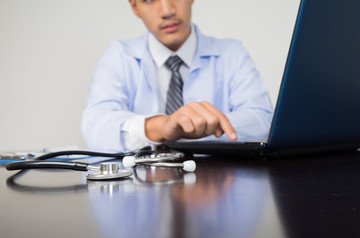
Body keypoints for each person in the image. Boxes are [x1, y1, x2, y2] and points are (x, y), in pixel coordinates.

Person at [81, 0, 273, 152]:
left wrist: (197, 129)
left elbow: (262, 120)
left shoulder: (232, 53)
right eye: (149, 0)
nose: (167, 11)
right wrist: (161, 127)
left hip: (217, 185)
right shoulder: (119, 56)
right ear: (134, 7)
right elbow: (96, 126)